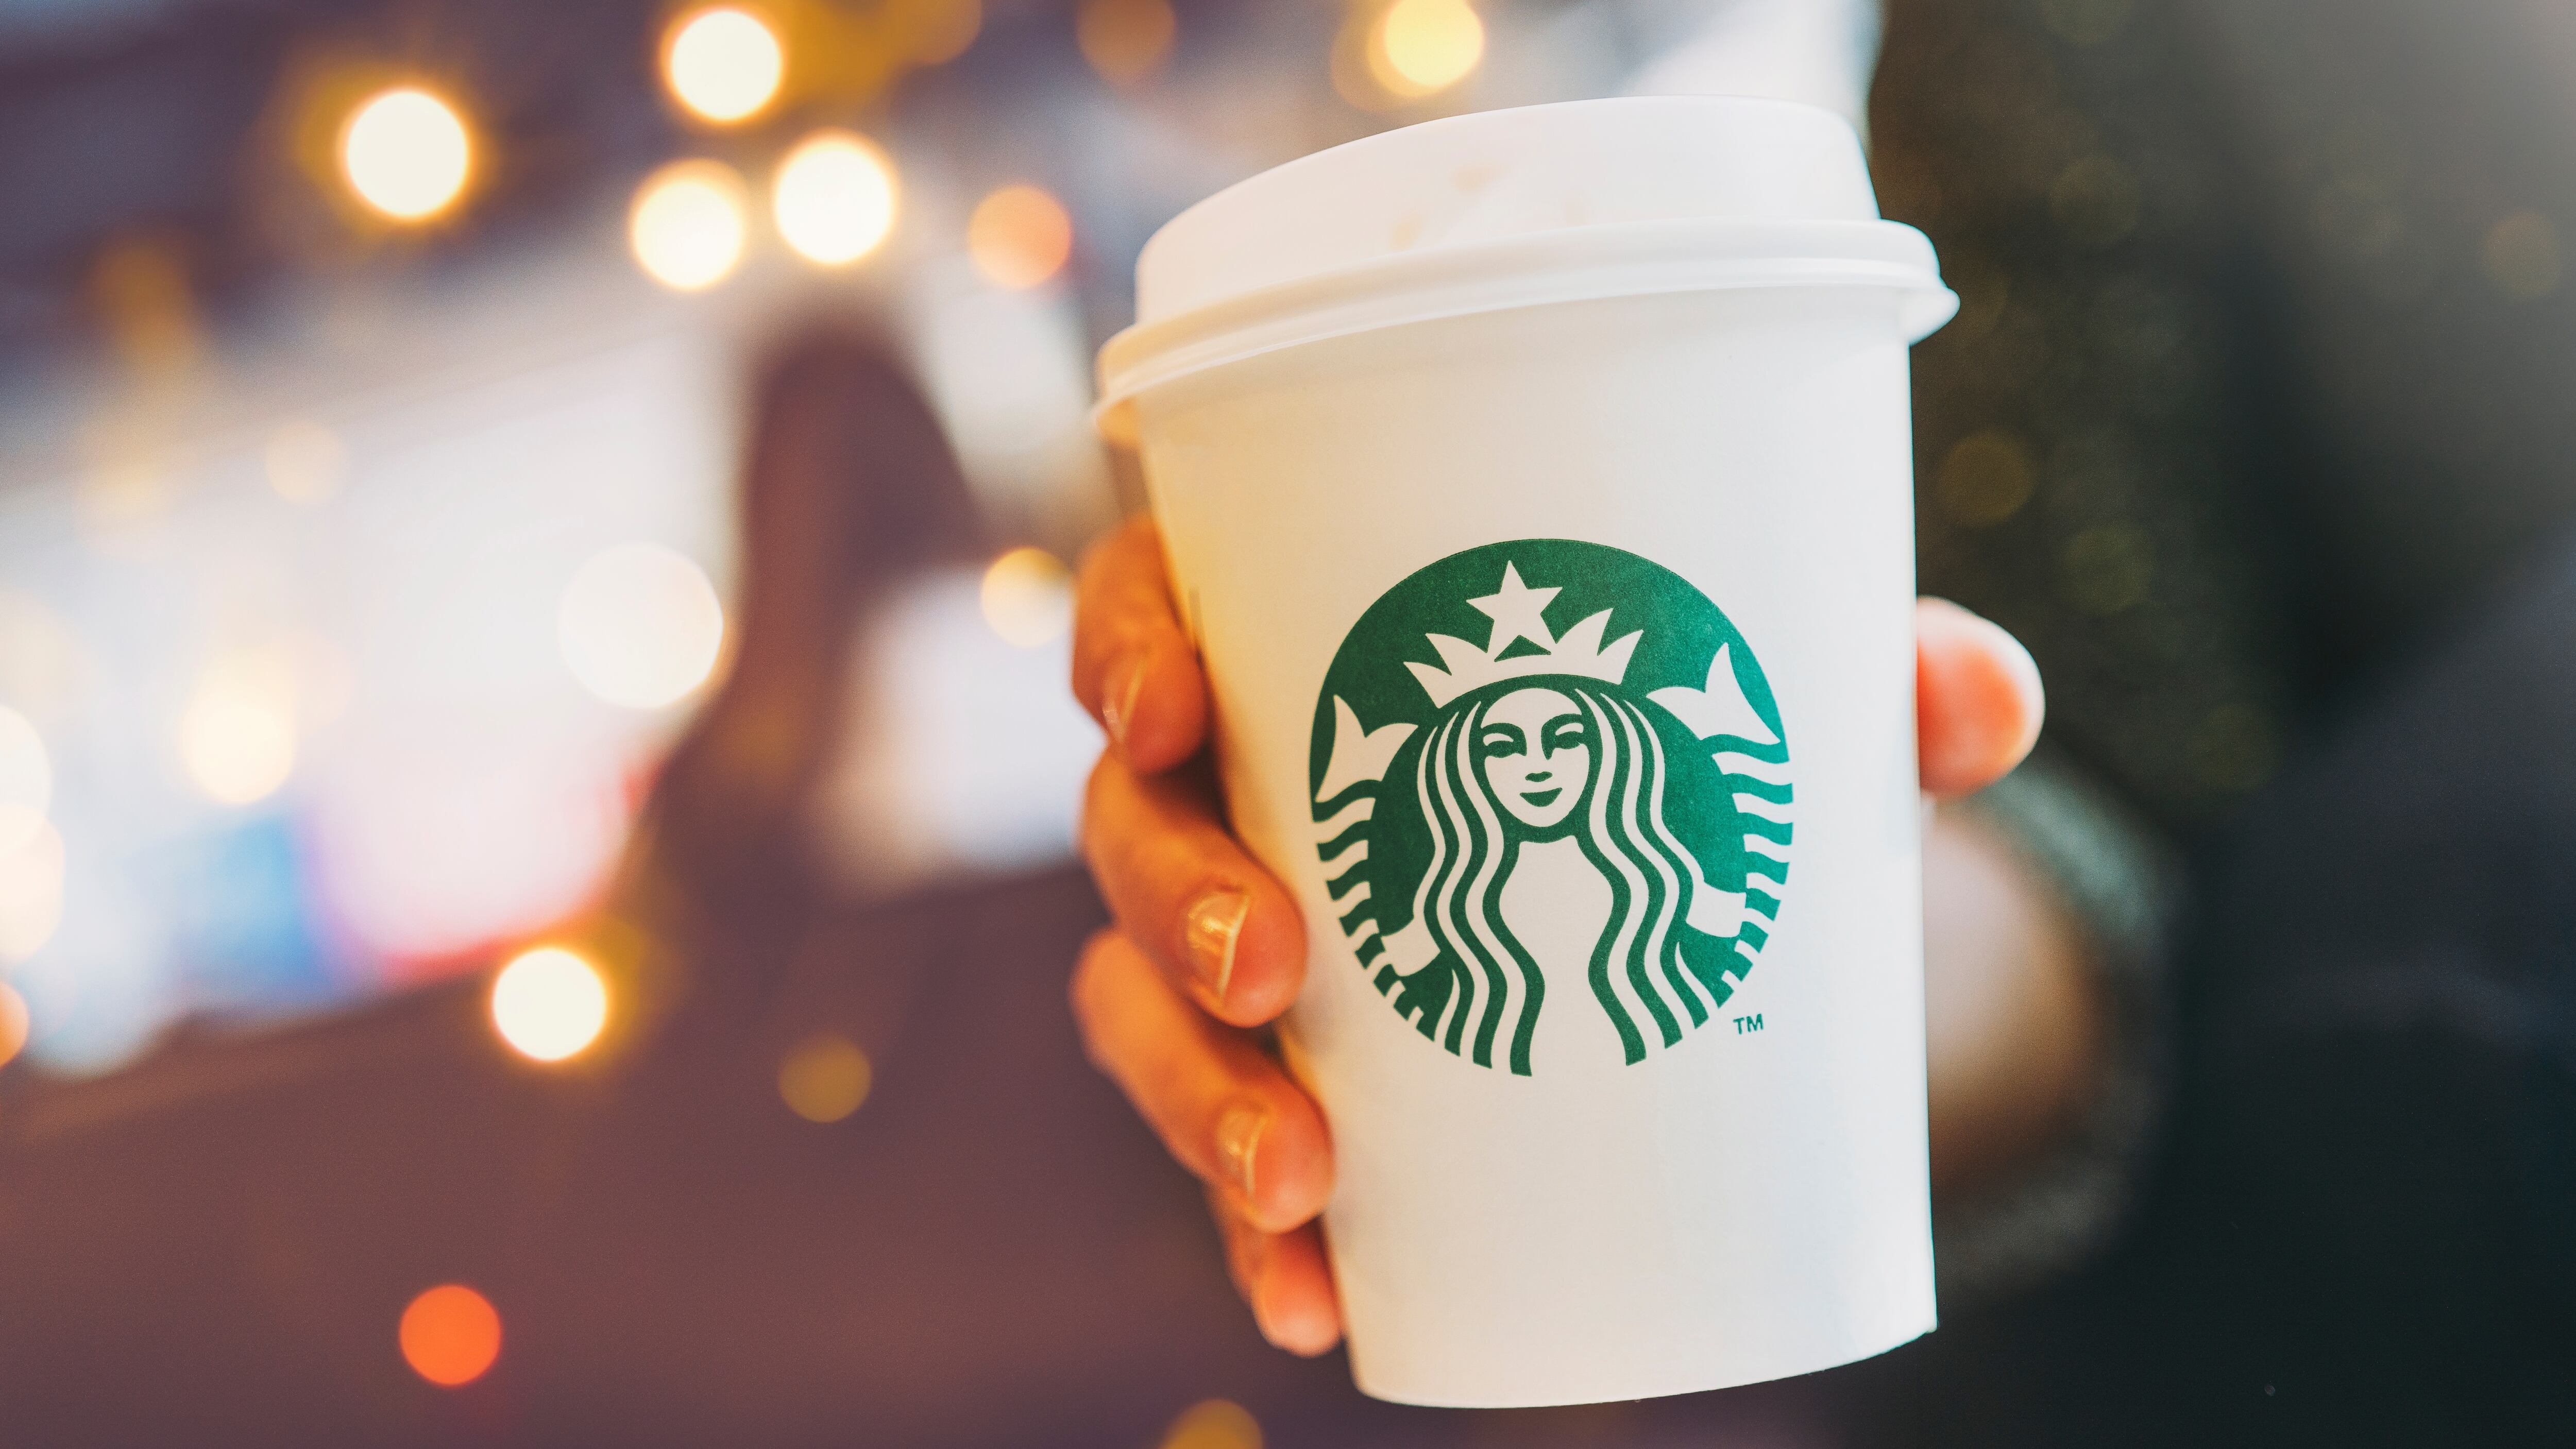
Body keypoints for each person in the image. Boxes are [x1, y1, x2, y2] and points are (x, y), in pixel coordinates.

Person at [1067, 517, 2050, 1354]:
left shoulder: (1676, 899)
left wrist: (1862, 935)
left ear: (1616, 742)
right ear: (1460, 764)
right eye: (1501, 742)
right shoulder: (1443, 924)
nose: (1536, 765)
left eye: (1565, 737)